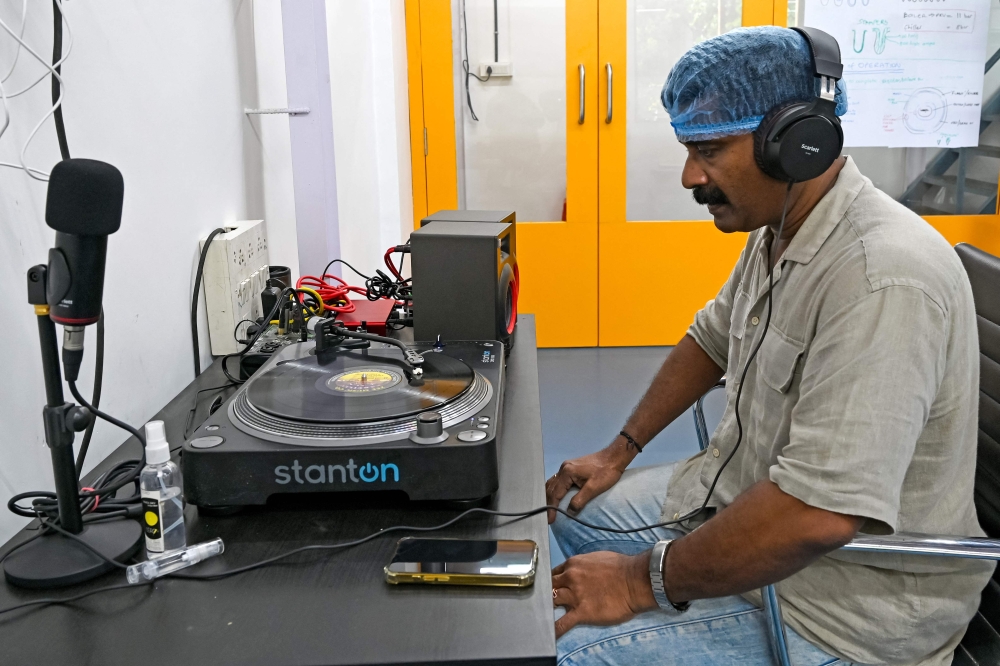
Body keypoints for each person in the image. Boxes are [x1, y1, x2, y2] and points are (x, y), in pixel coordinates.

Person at [547, 26, 994, 666]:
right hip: (745, 501)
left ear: (797, 146)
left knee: (566, 653)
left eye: (708, 149)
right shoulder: (784, 226)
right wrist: (619, 450)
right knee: (567, 511)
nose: (688, 176)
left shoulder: (882, 277)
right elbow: (711, 338)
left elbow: (818, 514)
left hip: (843, 605)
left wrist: (635, 581)